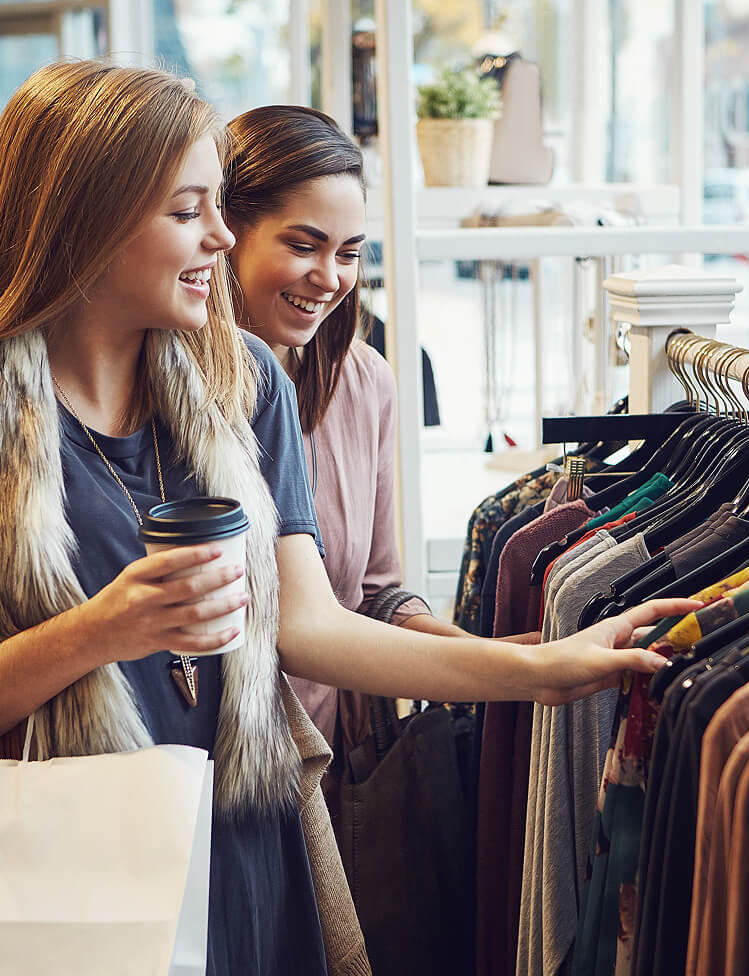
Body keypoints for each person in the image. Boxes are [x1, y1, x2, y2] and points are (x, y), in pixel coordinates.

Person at [0, 60, 697, 975]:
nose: (218, 235)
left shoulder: (242, 387)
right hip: (74, 867)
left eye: (218, 205)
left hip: (248, 839)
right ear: (85, 215)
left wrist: (546, 666)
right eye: (187, 210)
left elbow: (314, 626)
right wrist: (103, 630)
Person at [223, 105, 535, 766]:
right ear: (228, 231)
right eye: (303, 245)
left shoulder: (365, 383)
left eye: (349, 253)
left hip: (326, 761)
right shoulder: (170, 392)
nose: (331, 277)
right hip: (207, 766)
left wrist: (497, 658)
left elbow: (374, 594)